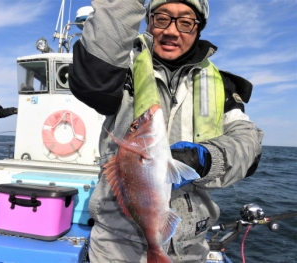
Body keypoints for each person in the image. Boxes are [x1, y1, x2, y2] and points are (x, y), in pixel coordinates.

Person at [69, 0, 264, 262]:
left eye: (186, 22)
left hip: (192, 248)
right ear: (147, 20)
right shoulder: (119, 70)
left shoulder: (222, 86)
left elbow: (249, 144)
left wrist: (208, 158)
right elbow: (92, 77)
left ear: (199, 29)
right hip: (116, 249)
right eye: (161, 18)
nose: (172, 31)